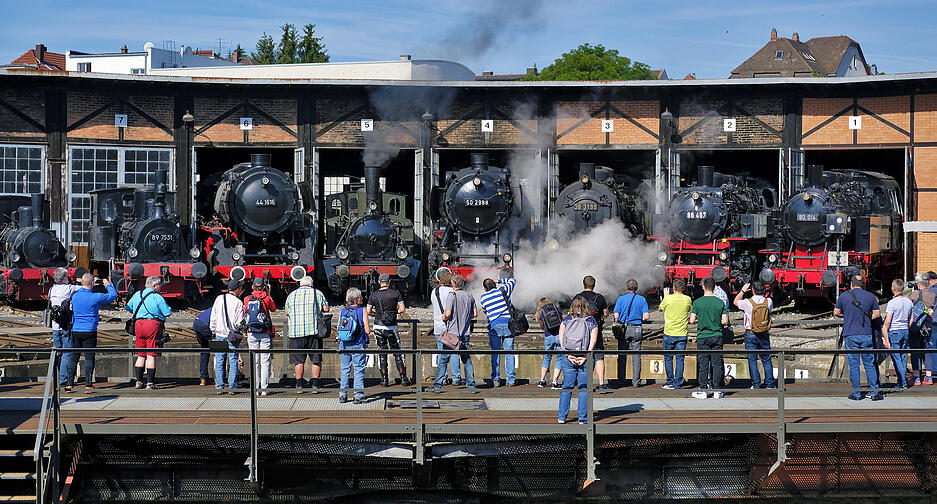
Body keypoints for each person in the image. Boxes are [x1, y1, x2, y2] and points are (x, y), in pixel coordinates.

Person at [64, 273, 117, 393]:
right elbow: (113, 295)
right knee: (89, 357)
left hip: (76, 329)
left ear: (82, 283)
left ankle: (69, 384)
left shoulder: (75, 296)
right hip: (90, 330)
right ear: (92, 283)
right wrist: (107, 283)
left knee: (74, 357)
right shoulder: (96, 297)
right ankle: (88, 384)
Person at [834, 274, 883, 401]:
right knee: (869, 364)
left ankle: (856, 394)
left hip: (850, 334)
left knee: (854, 365)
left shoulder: (844, 296)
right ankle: (874, 392)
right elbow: (877, 314)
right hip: (866, 334)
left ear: (851, 283)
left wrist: (847, 316)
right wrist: (867, 318)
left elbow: (836, 312)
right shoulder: (871, 296)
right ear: (863, 284)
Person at [284, 275, 330, 394]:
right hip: (313, 331)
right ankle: (315, 385)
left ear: (300, 284)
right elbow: (326, 309)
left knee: (298, 361)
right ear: (311, 284)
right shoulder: (317, 293)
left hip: (296, 333)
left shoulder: (291, 295)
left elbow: (286, 312)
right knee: (316, 360)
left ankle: (299, 386)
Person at [124, 276, 171, 390]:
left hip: (138, 325)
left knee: (141, 355)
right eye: (160, 284)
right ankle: (150, 383)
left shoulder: (137, 295)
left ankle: (138, 382)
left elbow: (128, 307)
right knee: (151, 355)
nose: (161, 286)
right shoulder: (157, 297)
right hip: (152, 326)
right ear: (154, 286)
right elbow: (167, 312)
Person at [557, 297, 599, 424]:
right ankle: (582, 418)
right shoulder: (591, 321)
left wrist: (568, 354)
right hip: (584, 358)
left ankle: (562, 417)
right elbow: (593, 340)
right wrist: (586, 356)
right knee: (584, 388)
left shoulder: (567, 320)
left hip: (568, 358)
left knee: (567, 387)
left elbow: (561, 338)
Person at [433, 274, 478, 393]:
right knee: (466, 359)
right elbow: (475, 314)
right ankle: (471, 385)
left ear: (453, 284)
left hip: (452, 334)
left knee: (443, 360)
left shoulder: (451, 295)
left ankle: (437, 385)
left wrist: (443, 317)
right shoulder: (469, 295)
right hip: (465, 333)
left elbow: (448, 314)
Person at [367, 273, 411, 387]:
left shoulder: (374, 294)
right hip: (392, 327)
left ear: (379, 282)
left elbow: (368, 311)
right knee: (397, 352)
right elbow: (402, 309)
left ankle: (384, 380)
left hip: (378, 326)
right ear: (389, 281)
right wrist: (392, 314)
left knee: (382, 352)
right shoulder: (395, 293)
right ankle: (403, 378)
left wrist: (376, 314)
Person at [690, 277, 729, 398]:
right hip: (717, 335)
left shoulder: (697, 302)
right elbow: (725, 321)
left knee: (703, 363)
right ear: (714, 287)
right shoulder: (720, 302)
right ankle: (717, 390)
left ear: (703, 286)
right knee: (716, 363)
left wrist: (700, 318)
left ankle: (703, 389)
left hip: (703, 336)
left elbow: (691, 320)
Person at [734, 281, 776, 389]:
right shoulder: (769, 301)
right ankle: (769, 385)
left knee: (752, 360)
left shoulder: (748, 302)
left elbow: (735, 301)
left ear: (752, 290)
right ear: (764, 290)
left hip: (750, 333)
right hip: (764, 333)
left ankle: (756, 385)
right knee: (766, 359)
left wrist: (743, 290)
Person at [479, 275, 517, 387]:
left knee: (495, 352)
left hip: (494, 326)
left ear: (485, 288)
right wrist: (499, 280)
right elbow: (512, 280)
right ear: (495, 285)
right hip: (508, 324)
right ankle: (511, 380)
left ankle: (496, 379)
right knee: (509, 352)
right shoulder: (504, 290)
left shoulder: (483, 297)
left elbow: (485, 310)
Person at [612, 279, 650, 387]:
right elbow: (646, 316)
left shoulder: (621, 299)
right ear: (636, 288)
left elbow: (616, 316)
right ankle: (636, 382)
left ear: (627, 288)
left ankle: (621, 381)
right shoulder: (642, 299)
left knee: (622, 355)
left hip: (624, 329)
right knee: (636, 356)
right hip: (637, 328)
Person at [210, 279, 245, 394]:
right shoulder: (238, 302)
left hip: (219, 334)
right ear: (238, 289)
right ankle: (232, 386)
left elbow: (213, 317)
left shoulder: (219, 299)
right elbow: (238, 322)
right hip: (231, 336)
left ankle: (219, 386)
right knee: (233, 360)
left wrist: (213, 331)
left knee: (219, 360)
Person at [575, 276, 610, 389]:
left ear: (583, 284)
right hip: (596, 331)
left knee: (581, 356)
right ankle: (601, 383)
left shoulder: (577, 297)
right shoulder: (599, 298)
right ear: (594, 285)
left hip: (580, 332)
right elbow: (605, 314)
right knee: (599, 357)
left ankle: (583, 383)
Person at [244, 278, 277, 396]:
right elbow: (273, 309)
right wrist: (268, 294)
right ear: (264, 287)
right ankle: (264, 388)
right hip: (265, 332)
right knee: (265, 360)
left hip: (251, 332)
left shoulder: (247, 299)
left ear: (252, 287)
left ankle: (255, 387)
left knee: (254, 360)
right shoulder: (266, 298)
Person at [48, 268, 80, 388]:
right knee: (67, 352)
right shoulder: (69, 288)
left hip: (55, 327)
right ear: (64, 278)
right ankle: (63, 379)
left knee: (58, 352)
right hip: (66, 325)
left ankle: (56, 376)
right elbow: (84, 287)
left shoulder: (51, 289)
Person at [338, 287, 370, 404]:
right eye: (360, 297)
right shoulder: (362, 310)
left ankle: (343, 395)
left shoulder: (343, 310)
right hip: (358, 344)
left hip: (344, 344)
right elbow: (367, 331)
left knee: (345, 369)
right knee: (358, 369)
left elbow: (339, 327)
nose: (362, 298)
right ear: (356, 299)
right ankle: (358, 396)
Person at [659, 279, 692, 390]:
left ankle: (670, 382)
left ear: (673, 288)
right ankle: (678, 383)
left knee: (668, 358)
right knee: (680, 359)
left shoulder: (668, 299)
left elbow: (660, 308)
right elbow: (690, 310)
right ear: (684, 289)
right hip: (682, 333)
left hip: (669, 332)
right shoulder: (688, 299)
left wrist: (665, 296)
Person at [431, 270, 462, 385]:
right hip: (451, 327)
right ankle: (456, 378)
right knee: (454, 351)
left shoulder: (435, 291)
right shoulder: (452, 292)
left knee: (441, 352)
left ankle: (442, 377)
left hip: (438, 326)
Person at [883, 278, 912, 389]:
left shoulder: (892, 303)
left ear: (893, 288)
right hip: (905, 331)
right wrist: (906, 327)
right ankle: (903, 381)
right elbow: (911, 319)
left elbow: (888, 321)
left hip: (894, 331)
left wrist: (885, 337)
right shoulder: (908, 301)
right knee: (902, 357)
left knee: (896, 358)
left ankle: (902, 382)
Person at [908, 273, 935, 385]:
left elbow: (908, 303)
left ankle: (916, 377)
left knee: (915, 351)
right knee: (927, 350)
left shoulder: (915, 293)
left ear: (919, 284)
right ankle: (928, 376)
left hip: (916, 326)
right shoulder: (932, 295)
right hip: (928, 325)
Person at [536, 297, 563, 389]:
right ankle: (554, 382)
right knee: (560, 358)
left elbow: (542, 325)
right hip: (559, 336)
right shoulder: (556, 308)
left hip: (548, 336)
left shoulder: (541, 313)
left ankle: (542, 380)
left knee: (547, 358)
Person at [192, 306, 213, 386]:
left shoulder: (219, 303)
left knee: (205, 350)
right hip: (207, 324)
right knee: (221, 351)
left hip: (197, 323)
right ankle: (221, 380)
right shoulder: (227, 308)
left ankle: (203, 379)